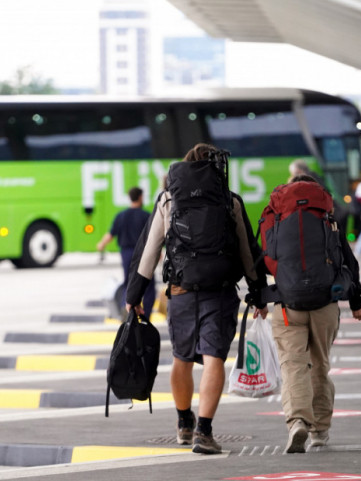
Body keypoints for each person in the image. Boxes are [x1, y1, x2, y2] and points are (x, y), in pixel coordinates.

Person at [125, 143, 268, 455]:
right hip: (219, 291)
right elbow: (247, 251)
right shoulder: (229, 200)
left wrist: (134, 296)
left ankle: (183, 424)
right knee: (214, 359)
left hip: (181, 291)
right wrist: (259, 293)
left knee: (182, 358)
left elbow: (149, 250)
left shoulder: (167, 199)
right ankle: (204, 430)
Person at [269, 173, 361, 453]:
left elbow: (264, 259)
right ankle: (320, 431)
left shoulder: (279, 217)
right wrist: (356, 302)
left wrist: (259, 298)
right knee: (320, 365)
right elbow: (348, 263)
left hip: (288, 305)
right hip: (325, 303)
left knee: (293, 365)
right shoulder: (328, 220)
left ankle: (298, 420)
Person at [97, 186, 156, 321]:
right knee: (148, 285)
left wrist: (101, 244)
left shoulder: (121, 216)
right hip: (143, 254)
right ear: (140, 197)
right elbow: (153, 237)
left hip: (126, 253)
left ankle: (126, 308)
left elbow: (111, 234)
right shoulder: (146, 216)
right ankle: (145, 315)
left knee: (128, 283)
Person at [289, 159, 349, 236]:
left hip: (330, 215)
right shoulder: (313, 176)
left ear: (299, 171)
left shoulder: (309, 179)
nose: (293, 176)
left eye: (293, 173)